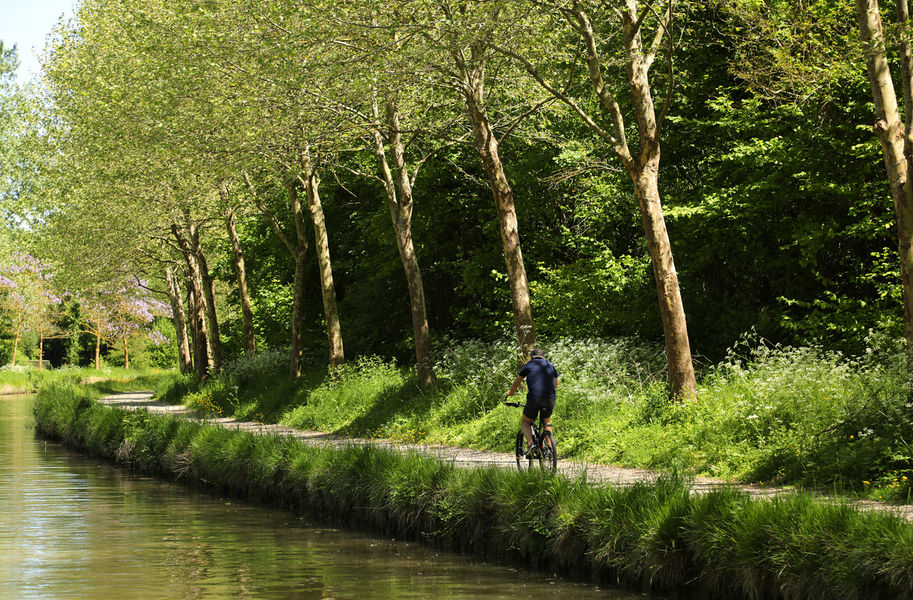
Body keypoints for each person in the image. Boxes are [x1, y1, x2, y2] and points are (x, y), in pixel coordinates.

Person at [506, 348, 559, 455]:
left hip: (534, 398)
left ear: (532, 357)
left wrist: (511, 392)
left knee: (525, 421)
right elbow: (556, 384)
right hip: (550, 398)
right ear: (543, 356)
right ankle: (549, 449)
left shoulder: (528, 365)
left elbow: (517, 382)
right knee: (546, 422)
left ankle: (531, 445)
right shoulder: (549, 365)